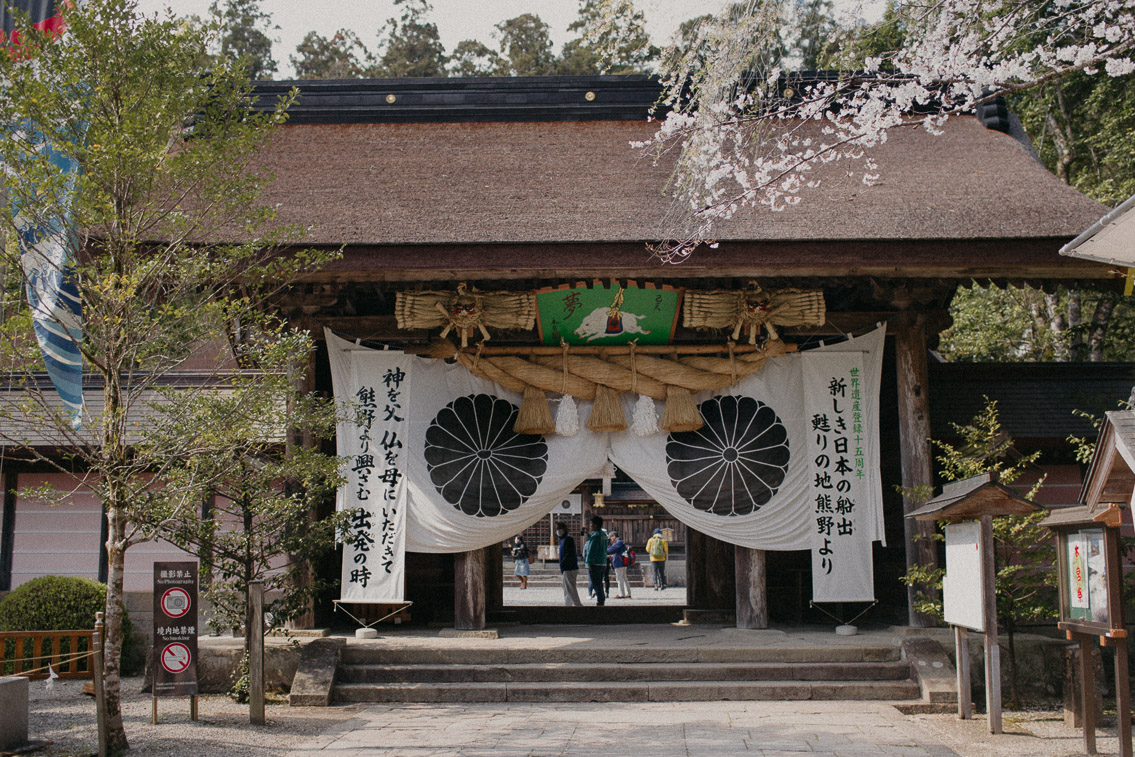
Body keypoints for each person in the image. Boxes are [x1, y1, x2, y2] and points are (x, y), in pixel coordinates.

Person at [582, 515, 608, 606]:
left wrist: (588, 562)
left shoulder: (595, 535)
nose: (590, 525)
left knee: (596, 583)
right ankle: (602, 598)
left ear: (596, 525)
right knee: (600, 582)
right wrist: (588, 535)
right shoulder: (603, 535)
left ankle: (600, 600)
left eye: (591, 524)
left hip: (595, 563)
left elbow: (591, 550)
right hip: (603, 561)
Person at [556, 522, 582, 607]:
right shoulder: (563, 539)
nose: (557, 531)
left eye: (559, 529)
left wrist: (563, 563)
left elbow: (569, 554)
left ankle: (578, 606)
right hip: (566, 568)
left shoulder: (568, 539)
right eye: (556, 529)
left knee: (571, 589)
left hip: (569, 567)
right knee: (566, 589)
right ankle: (568, 606)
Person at [607, 530, 632, 599]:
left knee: (619, 578)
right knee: (624, 578)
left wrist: (603, 550)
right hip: (624, 562)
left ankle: (621, 594)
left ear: (614, 536)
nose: (610, 540)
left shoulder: (617, 542)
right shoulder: (622, 542)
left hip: (619, 563)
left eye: (610, 538)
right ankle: (628, 593)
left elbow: (611, 550)